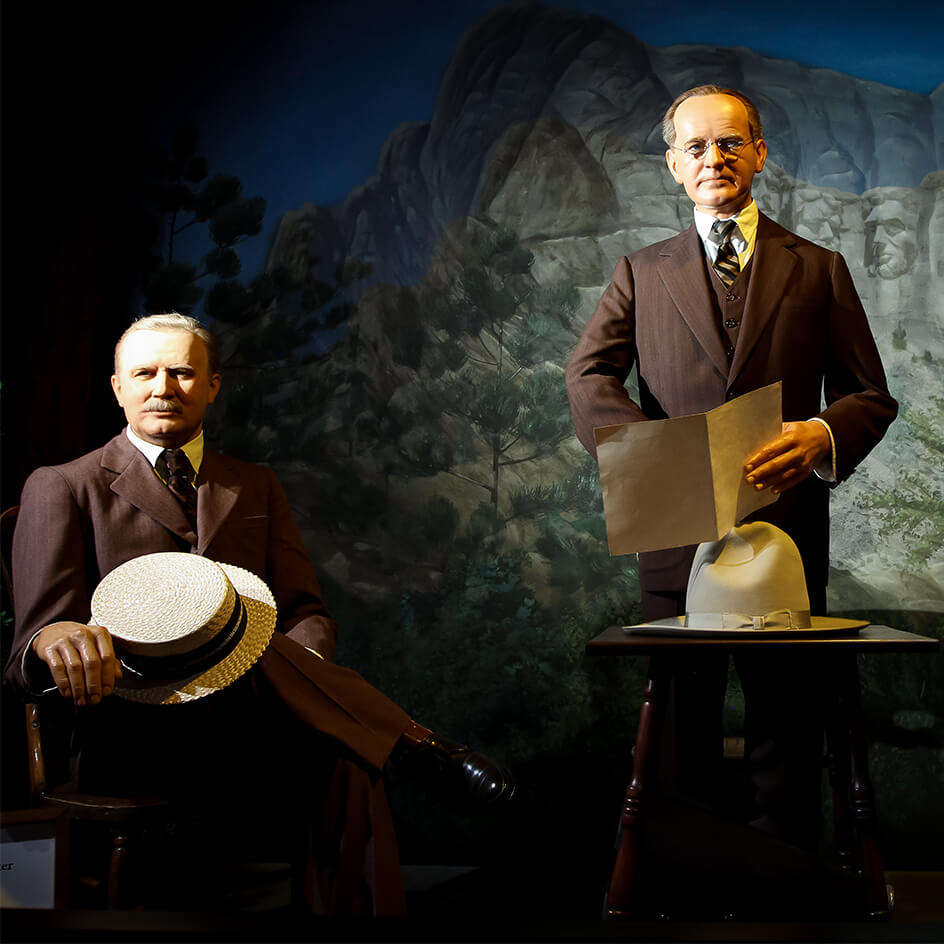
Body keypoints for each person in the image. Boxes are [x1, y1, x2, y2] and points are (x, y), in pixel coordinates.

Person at [3, 312, 515, 913]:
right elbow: (26, 654)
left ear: (213, 385)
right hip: (131, 728)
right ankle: (415, 743)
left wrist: (300, 673)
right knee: (341, 725)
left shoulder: (254, 486)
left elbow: (304, 610)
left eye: (182, 372)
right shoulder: (64, 485)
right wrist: (52, 639)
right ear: (117, 387)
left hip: (248, 720)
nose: (163, 388)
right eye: (144, 373)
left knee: (344, 754)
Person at [566, 85, 897, 849]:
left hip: (786, 528)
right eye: (695, 147)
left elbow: (870, 395)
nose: (713, 157)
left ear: (759, 154)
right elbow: (588, 377)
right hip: (675, 524)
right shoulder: (639, 272)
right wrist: (648, 457)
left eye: (729, 142)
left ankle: (788, 873)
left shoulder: (819, 269)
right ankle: (688, 869)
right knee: (681, 711)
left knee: (785, 707)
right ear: (674, 167)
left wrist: (821, 432)